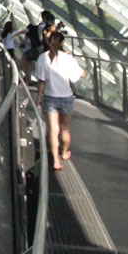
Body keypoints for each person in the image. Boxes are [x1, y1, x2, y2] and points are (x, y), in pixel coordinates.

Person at [34, 27, 83, 171]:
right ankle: (65, 151)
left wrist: (39, 98)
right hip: (67, 97)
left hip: (50, 97)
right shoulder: (68, 58)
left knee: (54, 130)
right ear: (62, 43)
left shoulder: (43, 58)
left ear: (49, 42)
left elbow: (41, 81)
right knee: (65, 128)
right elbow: (78, 75)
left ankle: (55, 160)